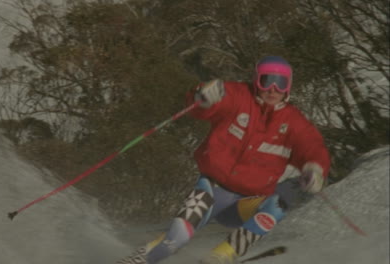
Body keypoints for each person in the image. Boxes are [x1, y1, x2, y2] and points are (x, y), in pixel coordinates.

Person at [117, 56, 331, 264]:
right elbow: (208, 104)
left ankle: (222, 256)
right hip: (211, 189)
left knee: (278, 205)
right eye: (267, 81)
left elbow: (311, 146)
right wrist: (204, 95)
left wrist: (315, 169)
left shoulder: (293, 121)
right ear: (257, 80)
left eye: (280, 83)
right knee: (176, 239)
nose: (273, 89)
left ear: (288, 86)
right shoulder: (239, 96)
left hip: (247, 202)